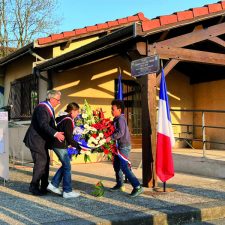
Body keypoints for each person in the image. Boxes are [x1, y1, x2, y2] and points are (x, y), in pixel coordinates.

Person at [23, 90, 64, 196]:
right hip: (36, 140)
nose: (59, 103)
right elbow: (43, 124)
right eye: (58, 100)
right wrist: (55, 134)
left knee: (45, 161)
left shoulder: (47, 108)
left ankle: (44, 185)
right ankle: (34, 186)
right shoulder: (42, 108)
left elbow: (49, 124)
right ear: (52, 99)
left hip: (41, 141)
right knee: (41, 162)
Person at [106, 99, 143, 198]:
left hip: (124, 146)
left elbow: (121, 133)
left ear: (119, 110)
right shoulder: (116, 119)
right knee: (116, 165)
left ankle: (137, 186)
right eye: (111, 109)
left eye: (113, 109)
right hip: (118, 146)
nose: (111, 111)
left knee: (124, 167)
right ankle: (119, 184)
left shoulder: (121, 119)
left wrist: (110, 137)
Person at [47, 102, 82, 198]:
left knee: (65, 166)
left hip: (57, 144)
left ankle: (53, 185)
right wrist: (78, 146)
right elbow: (69, 137)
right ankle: (67, 191)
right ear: (72, 111)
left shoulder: (62, 117)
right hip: (59, 145)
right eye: (77, 111)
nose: (78, 114)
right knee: (67, 167)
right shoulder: (68, 120)